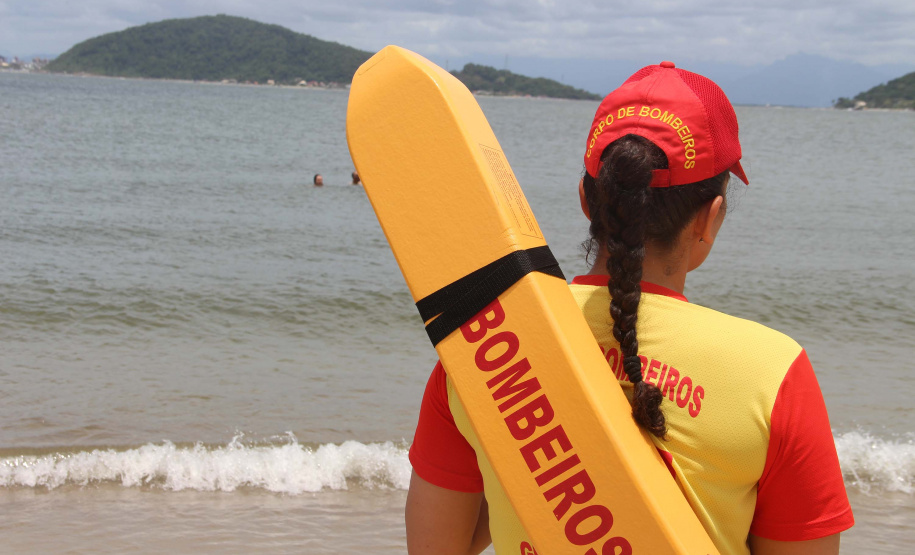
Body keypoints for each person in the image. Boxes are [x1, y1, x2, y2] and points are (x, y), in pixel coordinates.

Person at [405, 62, 853, 555]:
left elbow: (437, 547)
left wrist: (524, 446)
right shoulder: (773, 373)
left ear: (586, 199)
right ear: (710, 216)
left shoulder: (483, 349)